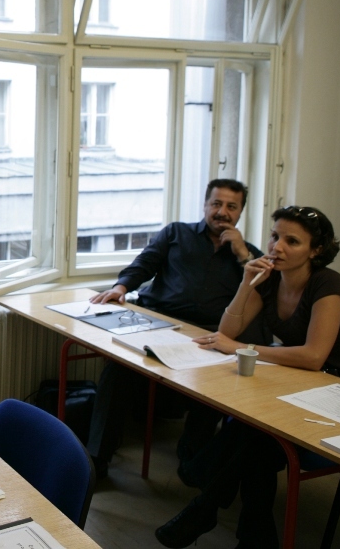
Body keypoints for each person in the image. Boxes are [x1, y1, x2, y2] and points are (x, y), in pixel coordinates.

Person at [155, 206, 340, 549]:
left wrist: (243, 348)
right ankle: (253, 535)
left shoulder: (327, 282)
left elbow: (313, 356)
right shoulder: (269, 278)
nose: (277, 247)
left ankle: (207, 504)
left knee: (255, 439)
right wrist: (246, 284)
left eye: (292, 241)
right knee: (257, 441)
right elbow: (227, 331)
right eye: (274, 237)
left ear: (316, 250)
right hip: (301, 385)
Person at [87, 179, 269, 480]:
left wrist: (242, 254)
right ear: (205, 205)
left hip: (207, 335)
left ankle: (192, 462)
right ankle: (96, 461)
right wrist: (121, 287)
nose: (222, 212)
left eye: (231, 206)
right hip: (160, 322)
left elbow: (260, 294)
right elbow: (145, 263)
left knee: (215, 383)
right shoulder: (176, 233)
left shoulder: (250, 256)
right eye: (216, 204)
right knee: (117, 371)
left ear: (240, 213)